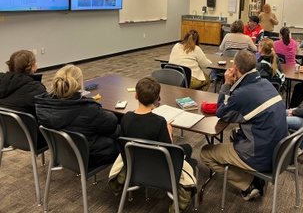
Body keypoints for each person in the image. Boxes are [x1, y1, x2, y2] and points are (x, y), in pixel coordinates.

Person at [200, 50, 287, 201]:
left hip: (260, 155)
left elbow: (222, 111)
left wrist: (227, 84)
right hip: (279, 149)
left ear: (235, 68)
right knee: (235, 132)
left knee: (206, 152)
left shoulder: (243, 93)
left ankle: (249, 184)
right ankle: (249, 172)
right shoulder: (265, 83)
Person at [110, 77, 196, 211]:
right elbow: (169, 152)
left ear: (136, 96)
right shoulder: (160, 122)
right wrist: (169, 132)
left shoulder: (126, 117)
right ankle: (180, 191)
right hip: (159, 168)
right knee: (187, 149)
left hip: (134, 164)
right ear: (157, 99)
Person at [35, 64, 119, 168]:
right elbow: (111, 125)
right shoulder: (88, 109)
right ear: (79, 85)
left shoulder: (43, 105)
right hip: (89, 155)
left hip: (63, 153)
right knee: (120, 132)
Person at [0, 50, 46, 117]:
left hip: (6, 126)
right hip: (29, 126)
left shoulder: (1, 81)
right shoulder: (35, 88)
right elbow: (46, 112)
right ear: (32, 67)